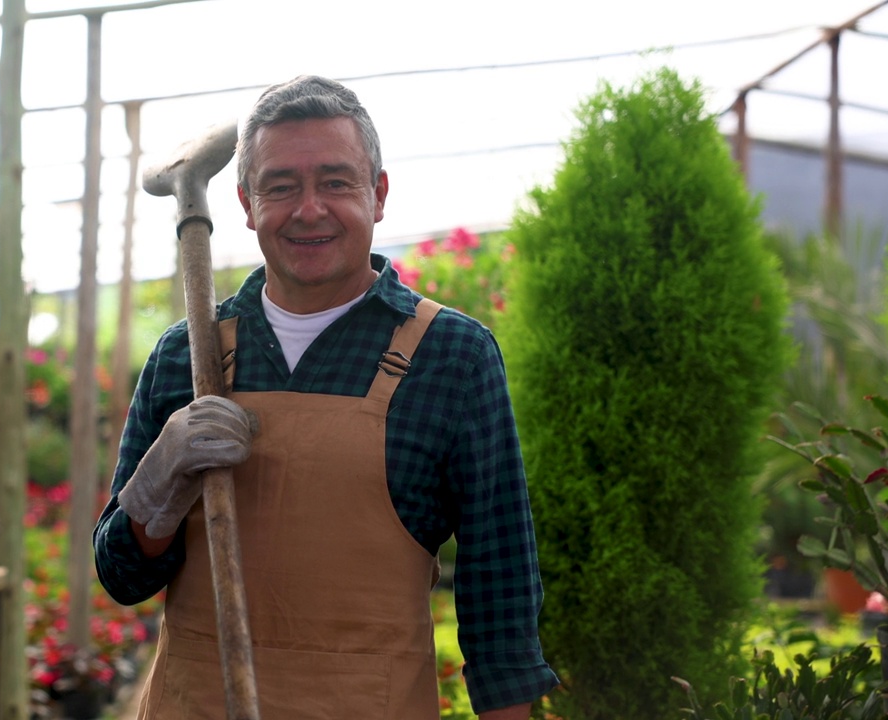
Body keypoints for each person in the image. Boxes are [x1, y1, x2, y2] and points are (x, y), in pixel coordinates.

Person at [94, 74, 559, 719]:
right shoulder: (188, 354)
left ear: (379, 194)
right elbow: (121, 576)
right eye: (280, 187)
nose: (308, 209)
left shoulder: (450, 356)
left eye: (336, 182)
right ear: (247, 205)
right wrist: (157, 487)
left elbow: (500, 594)